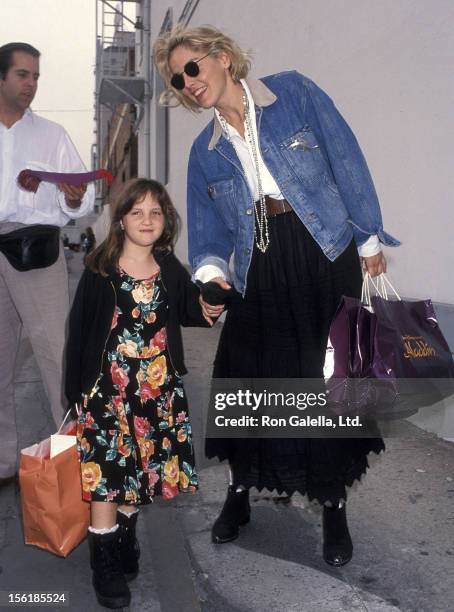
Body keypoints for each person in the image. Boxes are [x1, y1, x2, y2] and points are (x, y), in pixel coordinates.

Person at [154, 25, 400, 567]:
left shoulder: (293, 93)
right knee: (249, 379)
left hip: (323, 252)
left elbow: (346, 159)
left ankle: (332, 503)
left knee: (324, 383)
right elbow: (208, 233)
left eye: (192, 67)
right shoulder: (206, 151)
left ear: (221, 57)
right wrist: (211, 277)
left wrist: (369, 238)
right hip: (257, 265)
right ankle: (242, 491)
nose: (186, 83)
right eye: (177, 79)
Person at [65, 178, 211, 609]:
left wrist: (212, 304)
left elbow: (192, 311)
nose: (146, 220)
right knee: (108, 480)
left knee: (141, 470)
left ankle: (124, 540)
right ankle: (104, 562)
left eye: (155, 212)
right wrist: (77, 391)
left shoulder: (169, 267)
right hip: (107, 390)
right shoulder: (100, 269)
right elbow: (79, 333)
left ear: (165, 222)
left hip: (157, 391)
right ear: (122, 220)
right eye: (137, 212)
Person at [0, 42, 94, 484]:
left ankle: (76, 465)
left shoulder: (52, 134)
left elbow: (80, 194)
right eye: (22, 74)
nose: (31, 84)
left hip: (35, 250)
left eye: (36, 76)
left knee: (56, 355)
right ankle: (2, 462)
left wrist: (74, 194)